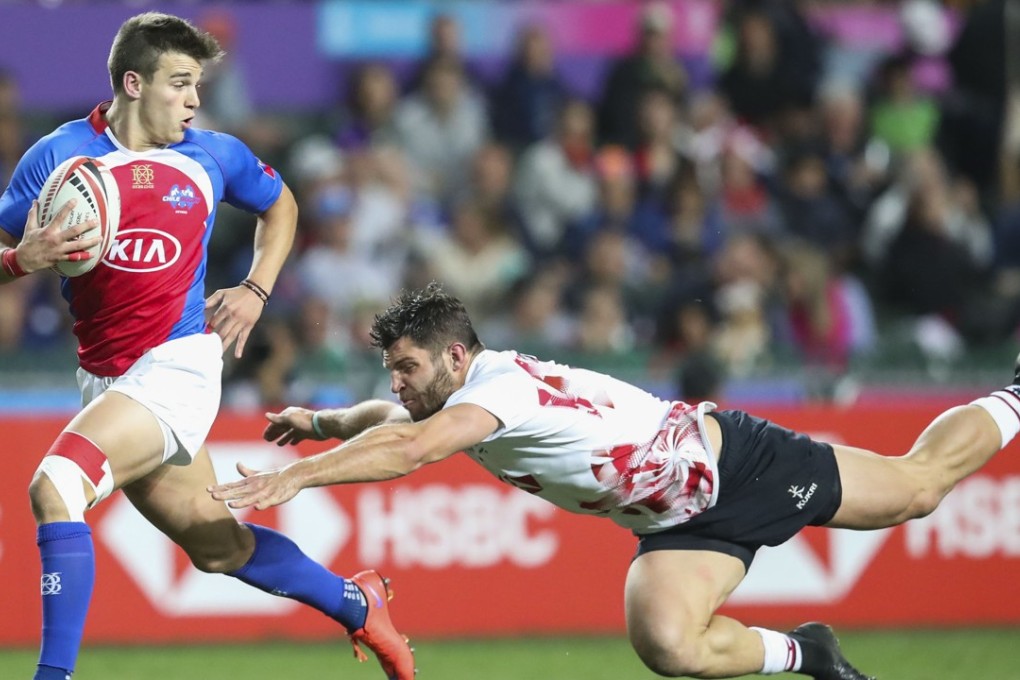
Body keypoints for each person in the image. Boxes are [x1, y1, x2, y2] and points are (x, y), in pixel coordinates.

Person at [212, 282, 1020, 680]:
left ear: (455, 357)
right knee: (667, 645)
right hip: (677, 525)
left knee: (918, 489)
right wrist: (320, 423)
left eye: (408, 368)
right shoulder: (458, 395)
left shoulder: (495, 394)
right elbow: (391, 425)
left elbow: (411, 449)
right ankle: (807, 654)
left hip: (740, 466)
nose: (398, 384)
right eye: (392, 371)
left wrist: (299, 478)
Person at [0, 13, 413, 680]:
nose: (194, 101)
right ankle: (356, 601)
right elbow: (3, 253)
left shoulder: (211, 155)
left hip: (176, 369)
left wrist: (255, 287)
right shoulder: (58, 157)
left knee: (55, 486)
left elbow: (281, 207)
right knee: (216, 544)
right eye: (181, 84)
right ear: (133, 83)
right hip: (105, 379)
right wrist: (23, 259)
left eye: (198, 85)